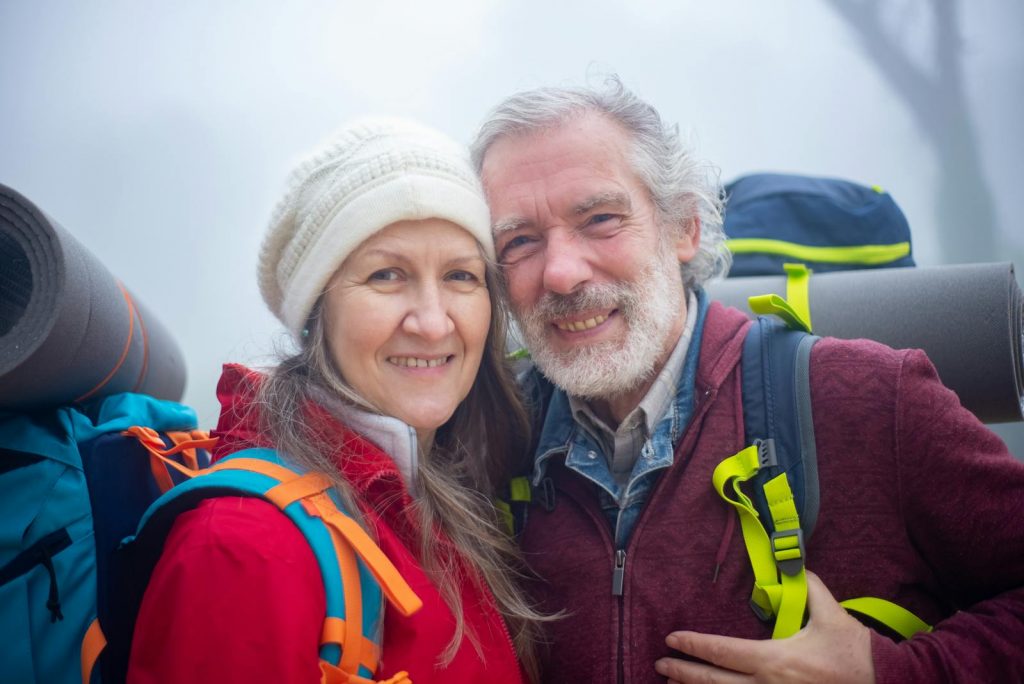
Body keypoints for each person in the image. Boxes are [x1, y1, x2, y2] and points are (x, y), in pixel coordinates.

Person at [470, 76, 1024, 683]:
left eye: (600, 218)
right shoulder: (483, 443)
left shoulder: (868, 398)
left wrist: (893, 673)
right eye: (519, 240)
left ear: (684, 227)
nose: (561, 273)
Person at [127, 118, 546, 683]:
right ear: (314, 316)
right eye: (386, 275)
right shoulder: (243, 545)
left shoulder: (445, 500)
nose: (431, 321)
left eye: (461, 276)